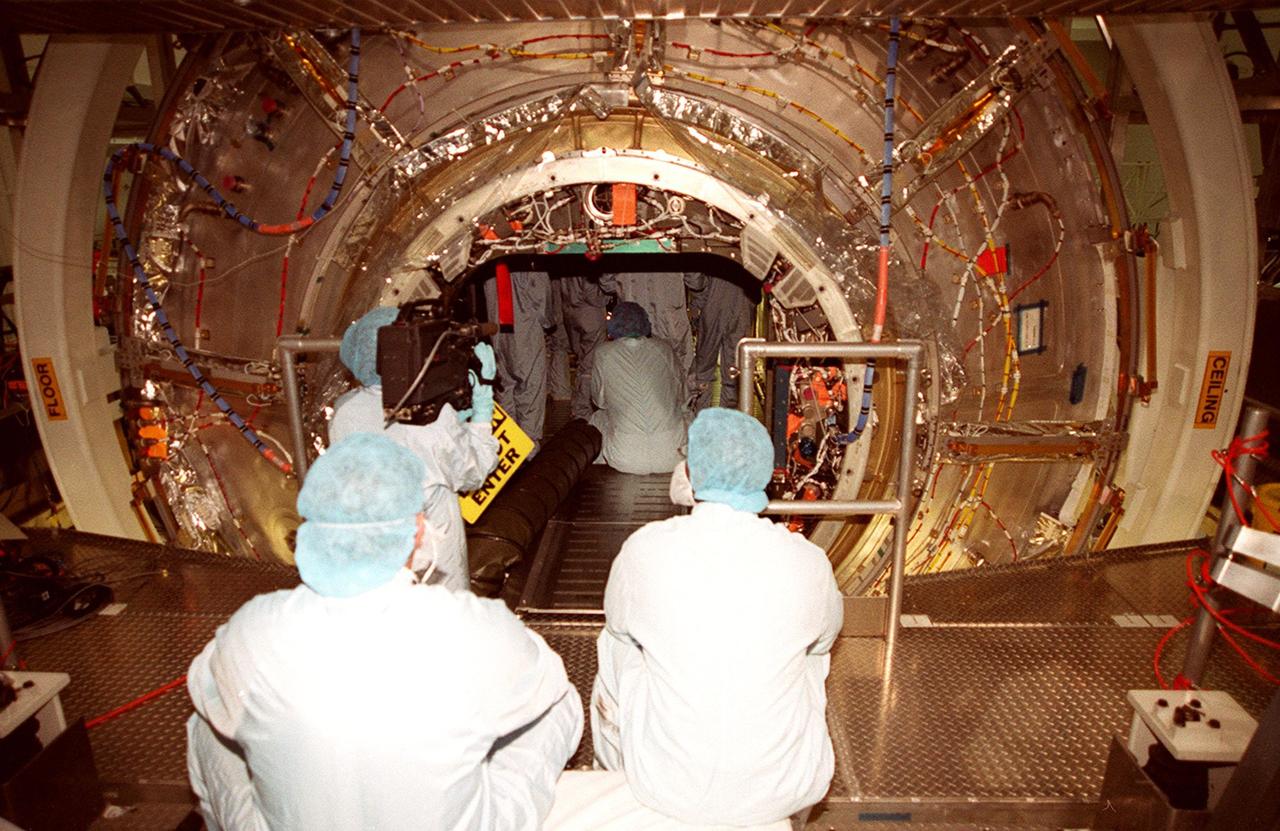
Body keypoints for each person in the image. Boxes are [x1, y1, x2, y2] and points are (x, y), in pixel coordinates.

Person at [186, 433, 583, 831]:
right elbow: (547, 678)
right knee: (559, 705)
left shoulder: (253, 627)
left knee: (206, 725)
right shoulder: (469, 627)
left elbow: (205, 684)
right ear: (416, 531)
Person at [591, 408, 843, 826]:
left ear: (691, 471)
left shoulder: (645, 548)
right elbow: (825, 640)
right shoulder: (809, 561)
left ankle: (615, 771)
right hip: (786, 788)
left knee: (616, 640)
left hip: (665, 787)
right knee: (812, 653)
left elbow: (618, 625)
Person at [329, 305, 498, 593]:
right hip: (429, 565)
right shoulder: (432, 418)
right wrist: (480, 417)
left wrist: (451, 427)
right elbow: (474, 473)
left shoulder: (344, 411)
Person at [588, 302, 687, 475]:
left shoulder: (603, 353)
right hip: (673, 456)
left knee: (598, 417)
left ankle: (598, 469)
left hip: (624, 458)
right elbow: (682, 396)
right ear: (645, 324)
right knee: (686, 413)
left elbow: (600, 401)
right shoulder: (664, 349)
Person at [484, 268, 556, 445]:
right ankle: (529, 451)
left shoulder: (491, 266)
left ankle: (510, 446)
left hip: (498, 336)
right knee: (530, 393)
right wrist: (548, 323)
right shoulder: (530, 265)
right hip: (525, 333)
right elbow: (542, 301)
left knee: (504, 391)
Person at [599, 272, 699, 382]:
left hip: (633, 326)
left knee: (635, 379)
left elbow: (607, 284)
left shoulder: (621, 256)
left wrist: (624, 285)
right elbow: (696, 282)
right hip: (670, 324)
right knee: (679, 377)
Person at [687, 272, 759, 411]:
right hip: (743, 302)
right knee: (734, 370)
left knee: (703, 368)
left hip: (712, 302)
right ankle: (728, 420)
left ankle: (699, 418)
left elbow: (694, 279)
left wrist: (700, 300)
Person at [557, 274, 609, 421]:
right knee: (590, 365)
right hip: (589, 310)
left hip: (570, 309)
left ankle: (578, 406)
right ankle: (583, 409)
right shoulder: (587, 256)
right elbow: (590, 290)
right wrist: (606, 298)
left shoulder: (566, 256)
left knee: (581, 361)